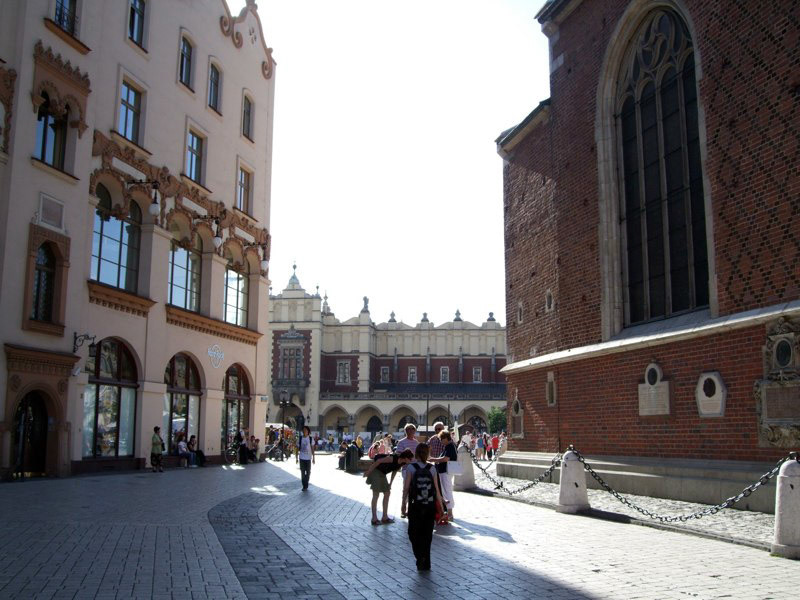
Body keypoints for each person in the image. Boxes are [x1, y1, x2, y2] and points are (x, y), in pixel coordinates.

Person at [403, 443, 442, 571]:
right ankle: (426, 563)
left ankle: (420, 557)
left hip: (416, 505)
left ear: (417, 454)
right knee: (427, 535)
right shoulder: (432, 468)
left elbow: (406, 488)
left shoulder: (411, 468)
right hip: (430, 505)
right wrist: (441, 507)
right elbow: (436, 490)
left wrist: (403, 503)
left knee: (413, 533)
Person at [363, 449, 414, 525]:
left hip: (382, 474)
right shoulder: (392, 458)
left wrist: (390, 484)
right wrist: (368, 472)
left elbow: (394, 471)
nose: (411, 461)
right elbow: (378, 461)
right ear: (406, 458)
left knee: (387, 493)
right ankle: (374, 518)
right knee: (376, 495)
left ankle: (384, 517)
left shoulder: (401, 463)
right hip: (376, 471)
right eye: (410, 459)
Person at [430, 430, 458, 519]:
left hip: (446, 471)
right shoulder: (448, 446)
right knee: (445, 491)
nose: (441, 441)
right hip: (444, 471)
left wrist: (434, 459)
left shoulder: (449, 446)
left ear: (445, 438)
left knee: (447, 491)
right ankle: (448, 512)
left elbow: (446, 458)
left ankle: (450, 513)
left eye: (441, 439)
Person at [296, 425, 315, 490]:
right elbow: (297, 448)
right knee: (302, 473)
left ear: (308, 431)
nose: (304, 431)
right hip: (301, 458)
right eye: (303, 430)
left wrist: (314, 458)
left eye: (305, 430)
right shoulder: (300, 438)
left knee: (308, 472)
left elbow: (312, 449)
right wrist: (296, 458)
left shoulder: (310, 439)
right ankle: (304, 486)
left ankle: (306, 483)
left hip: (308, 458)